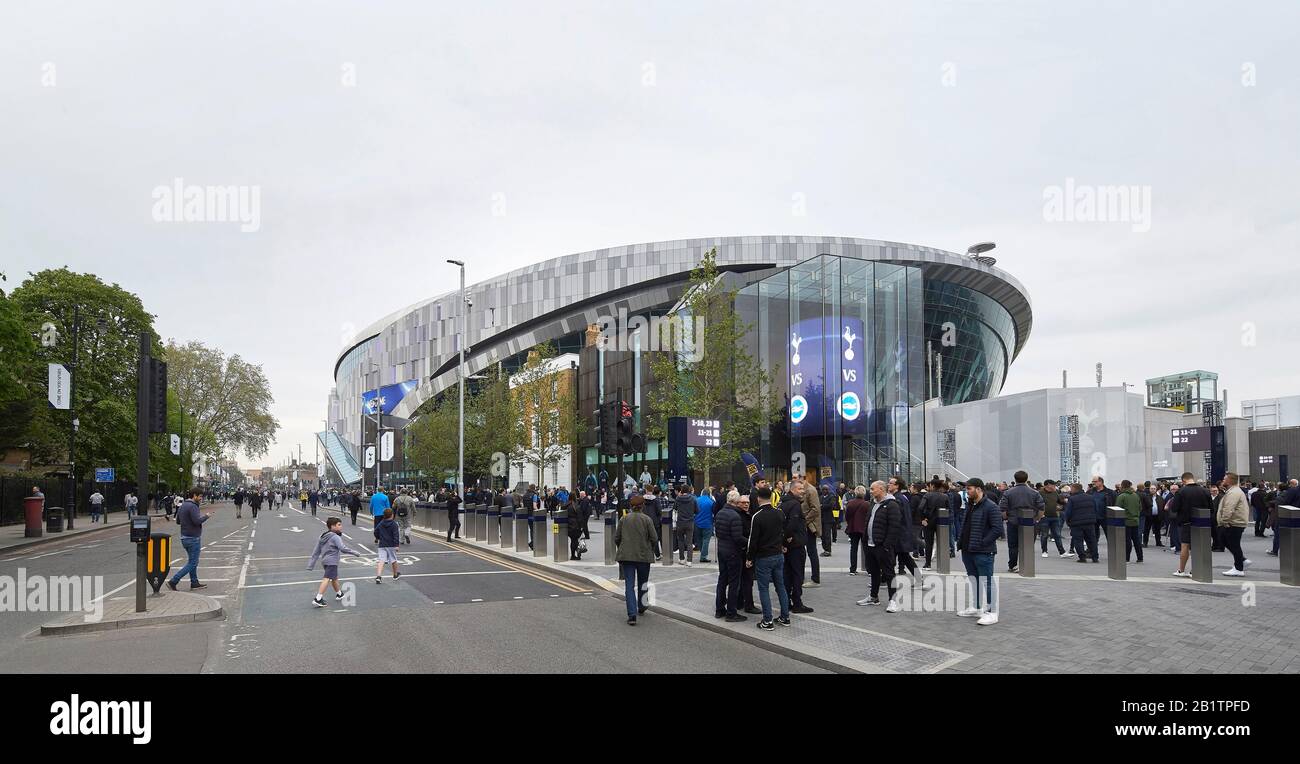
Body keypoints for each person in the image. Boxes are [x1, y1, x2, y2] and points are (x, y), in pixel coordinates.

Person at [955, 478, 1003, 625]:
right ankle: (976, 607)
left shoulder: (991, 506)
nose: (966, 491)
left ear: (979, 489)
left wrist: (983, 543)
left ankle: (991, 612)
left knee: (987, 581)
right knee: (974, 579)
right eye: (966, 489)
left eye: (969, 488)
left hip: (983, 551)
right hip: (968, 549)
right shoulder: (970, 505)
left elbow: (997, 529)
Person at [856, 481, 903, 612]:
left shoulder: (892, 505)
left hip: (883, 546)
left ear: (881, 489)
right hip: (870, 545)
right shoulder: (873, 503)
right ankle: (873, 597)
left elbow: (894, 527)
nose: (870, 491)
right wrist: (865, 541)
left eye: (872, 489)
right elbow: (868, 521)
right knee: (874, 572)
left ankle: (893, 600)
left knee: (889, 573)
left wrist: (887, 545)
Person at [747, 486, 790, 631]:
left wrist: (749, 558)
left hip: (763, 557)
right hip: (778, 555)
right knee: (781, 586)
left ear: (758, 498)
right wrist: (783, 545)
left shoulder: (757, 516)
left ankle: (767, 620)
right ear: (771, 497)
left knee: (764, 589)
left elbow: (753, 540)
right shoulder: (779, 513)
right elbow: (783, 532)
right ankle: (785, 617)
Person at [615, 495, 658, 625]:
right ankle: (642, 606)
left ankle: (632, 615)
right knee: (643, 582)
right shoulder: (647, 519)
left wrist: (622, 548)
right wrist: (650, 548)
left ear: (631, 506)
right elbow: (654, 538)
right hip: (644, 556)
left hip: (627, 557)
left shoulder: (624, 519)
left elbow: (617, 538)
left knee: (629, 585)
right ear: (643, 506)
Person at [308, 517, 361, 607]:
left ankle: (339, 594)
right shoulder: (335, 537)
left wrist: (311, 564)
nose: (341, 527)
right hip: (332, 561)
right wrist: (355, 553)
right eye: (339, 525)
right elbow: (343, 548)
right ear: (332, 526)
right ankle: (318, 598)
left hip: (325, 561)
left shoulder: (323, 535)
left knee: (334, 578)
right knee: (327, 578)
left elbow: (316, 550)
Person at [167, 488, 212, 591]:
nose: (201, 498)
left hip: (184, 537)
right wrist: (206, 516)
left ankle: (194, 582)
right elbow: (197, 521)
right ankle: (174, 581)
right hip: (193, 538)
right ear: (194, 495)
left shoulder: (183, 505)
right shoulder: (193, 506)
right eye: (200, 496)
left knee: (192, 561)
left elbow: (178, 521)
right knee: (193, 562)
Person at [998, 470, 1043, 573]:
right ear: (1026, 479)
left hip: (1013, 521)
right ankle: (1026, 564)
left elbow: (1003, 508)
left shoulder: (1008, 492)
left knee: (1013, 545)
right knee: (1028, 544)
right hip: (1030, 522)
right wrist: (1037, 519)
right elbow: (1041, 508)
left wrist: (1006, 518)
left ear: (1015, 479)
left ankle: (1013, 565)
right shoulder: (1035, 492)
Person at [779, 478, 813, 614]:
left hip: (788, 546)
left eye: (803, 489)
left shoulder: (783, 503)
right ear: (792, 490)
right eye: (800, 489)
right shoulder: (794, 505)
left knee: (787, 575)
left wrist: (783, 542)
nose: (803, 491)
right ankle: (797, 603)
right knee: (797, 575)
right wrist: (786, 541)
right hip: (795, 546)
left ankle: (786, 602)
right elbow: (791, 525)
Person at [1168, 473, 1210, 577]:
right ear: (1193, 478)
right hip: (1202, 523)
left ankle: (1181, 570)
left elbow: (1174, 508)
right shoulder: (1205, 491)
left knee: (1185, 545)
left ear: (1183, 481)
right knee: (1198, 546)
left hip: (1186, 522)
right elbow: (1211, 508)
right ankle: (1195, 570)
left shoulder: (1181, 491)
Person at [713, 491, 747, 621]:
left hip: (722, 550)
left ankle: (719, 609)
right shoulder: (735, 516)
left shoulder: (720, 513)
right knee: (734, 583)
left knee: (722, 580)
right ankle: (731, 613)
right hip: (733, 552)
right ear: (736, 502)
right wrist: (749, 542)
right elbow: (737, 537)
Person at [1217, 473, 1250, 577]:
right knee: (1226, 541)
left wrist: (1224, 521)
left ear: (1230, 481)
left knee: (1233, 544)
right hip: (1234, 522)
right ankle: (1241, 560)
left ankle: (1239, 568)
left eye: (1224, 479)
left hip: (1234, 523)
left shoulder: (1234, 492)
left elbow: (1228, 508)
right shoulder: (1232, 491)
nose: (1222, 480)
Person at [1064, 483, 1099, 563]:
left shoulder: (1072, 499)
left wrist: (1068, 521)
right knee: (1091, 540)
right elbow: (1095, 509)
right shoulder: (1090, 497)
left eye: (1071, 488)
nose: (1070, 490)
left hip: (1076, 523)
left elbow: (1068, 512)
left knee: (1078, 540)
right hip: (1089, 522)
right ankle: (1095, 557)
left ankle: (1082, 557)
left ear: (1075, 489)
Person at [919, 478, 948, 569]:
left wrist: (923, 519)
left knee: (929, 543)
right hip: (942, 521)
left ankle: (928, 564)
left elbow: (920, 508)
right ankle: (942, 565)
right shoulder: (944, 496)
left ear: (932, 486)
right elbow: (949, 509)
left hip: (929, 521)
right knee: (942, 543)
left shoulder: (927, 495)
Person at [1037, 480, 1069, 557]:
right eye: (1053, 485)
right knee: (1044, 535)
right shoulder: (1039, 493)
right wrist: (1039, 515)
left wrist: (1064, 501)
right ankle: (1044, 551)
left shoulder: (1055, 493)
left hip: (1055, 516)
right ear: (1048, 485)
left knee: (1057, 535)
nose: (1055, 487)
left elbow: (1060, 501)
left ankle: (1062, 552)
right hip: (1044, 517)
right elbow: (1035, 504)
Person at [801, 479, 822, 586]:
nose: (793, 480)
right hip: (806, 524)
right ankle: (802, 576)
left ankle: (815, 579)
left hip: (810, 526)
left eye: (796, 478)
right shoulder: (803, 489)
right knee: (805, 551)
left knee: (811, 551)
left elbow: (815, 509)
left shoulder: (810, 490)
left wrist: (804, 521)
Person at [1117, 480, 1143, 563]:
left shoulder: (1121, 496)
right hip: (1135, 520)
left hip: (1126, 521)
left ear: (1122, 486)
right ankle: (1140, 557)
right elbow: (1140, 507)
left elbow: (1118, 509)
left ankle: (1126, 558)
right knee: (1136, 540)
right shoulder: (1136, 495)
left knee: (1127, 541)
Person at [844, 485, 868, 575]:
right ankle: (869, 569)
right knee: (866, 549)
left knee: (853, 548)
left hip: (853, 528)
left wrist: (849, 522)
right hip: (864, 529)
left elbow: (847, 516)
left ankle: (852, 569)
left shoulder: (850, 503)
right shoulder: (867, 504)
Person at [672, 485, 696, 566]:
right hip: (690, 522)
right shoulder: (693, 498)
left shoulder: (678, 498)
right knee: (689, 542)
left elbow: (674, 509)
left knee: (681, 541)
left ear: (682, 490)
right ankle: (689, 561)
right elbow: (697, 510)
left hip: (680, 522)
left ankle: (681, 559)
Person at [695, 487, 715, 563]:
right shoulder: (711, 502)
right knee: (706, 540)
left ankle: (702, 552)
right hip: (708, 523)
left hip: (697, 522)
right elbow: (713, 512)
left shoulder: (696, 500)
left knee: (699, 539)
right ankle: (703, 556)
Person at [567, 494, 586, 560]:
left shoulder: (566, 505)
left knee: (573, 540)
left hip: (568, 525)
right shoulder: (576, 506)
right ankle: (575, 554)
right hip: (575, 526)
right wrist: (582, 526)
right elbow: (580, 517)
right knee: (575, 540)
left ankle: (574, 554)